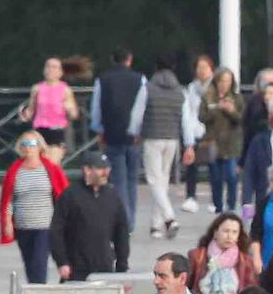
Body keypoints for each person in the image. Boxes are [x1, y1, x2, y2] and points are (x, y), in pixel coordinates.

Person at [49, 150, 129, 283]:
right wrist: (62, 262)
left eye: (107, 168)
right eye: (100, 168)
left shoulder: (113, 196)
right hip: (76, 268)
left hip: (105, 266)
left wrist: (122, 264)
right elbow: (56, 231)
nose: (105, 172)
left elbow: (122, 232)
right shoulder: (70, 195)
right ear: (87, 170)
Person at [0, 130, 68, 284]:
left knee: (39, 263)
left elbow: (63, 194)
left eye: (32, 144)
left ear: (40, 146)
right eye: (24, 144)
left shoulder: (50, 168)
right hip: (23, 226)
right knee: (29, 265)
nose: (28, 148)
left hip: (44, 226)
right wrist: (8, 222)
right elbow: (9, 199)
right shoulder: (14, 171)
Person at [91, 46, 147, 227]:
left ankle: (125, 221)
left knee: (119, 180)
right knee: (132, 179)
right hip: (135, 136)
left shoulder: (103, 80)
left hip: (112, 134)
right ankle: (131, 218)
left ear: (112, 59)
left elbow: (96, 108)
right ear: (129, 59)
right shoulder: (140, 79)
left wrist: (99, 130)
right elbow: (145, 106)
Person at [141, 55, 197, 239]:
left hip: (152, 136)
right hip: (172, 138)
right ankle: (156, 225)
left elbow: (138, 112)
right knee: (163, 179)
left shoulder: (147, 88)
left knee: (153, 178)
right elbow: (186, 120)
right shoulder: (181, 91)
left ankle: (169, 218)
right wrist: (189, 144)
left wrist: (134, 132)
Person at [188, 213, 257, 294]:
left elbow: (251, 291)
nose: (229, 236)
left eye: (234, 232)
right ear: (215, 232)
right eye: (226, 231)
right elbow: (186, 286)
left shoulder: (245, 261)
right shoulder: (197, 256)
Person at [200, 67, 245, 213]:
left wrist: (231, 111)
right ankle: (218, 206)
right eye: (222, 81)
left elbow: (241, 119)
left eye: (227, 81)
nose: (224, 84)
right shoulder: (208, 97)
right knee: (215, 178)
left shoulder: (237, 98)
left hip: (231, 144)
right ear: (216, 81)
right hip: (213, 143)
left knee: (232, 176)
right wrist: (216, 109)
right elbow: (202, 117)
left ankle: (231, 206)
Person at [20, 57, 79, 164]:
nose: (50, 70)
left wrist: (69, 108)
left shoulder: (65, 90)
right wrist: (25, 115)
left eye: (54, 67)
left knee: (52, 164)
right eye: (48, 66)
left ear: (60, 72)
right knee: (39, 163)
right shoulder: (37, 88)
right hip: (40, 129)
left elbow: (74, 114)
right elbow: (31, 109)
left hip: (57, 129)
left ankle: (56, 179)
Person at [183, 54, 216, 212]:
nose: (202, 71)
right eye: (199, 68)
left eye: (205, 67)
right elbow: (188, 113)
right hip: (195, 130)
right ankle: (190, 197)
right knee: (192, 165)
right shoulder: (191, 88)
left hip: (212, 132)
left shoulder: (216, 87)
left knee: (214, 166)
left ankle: (215, 199)